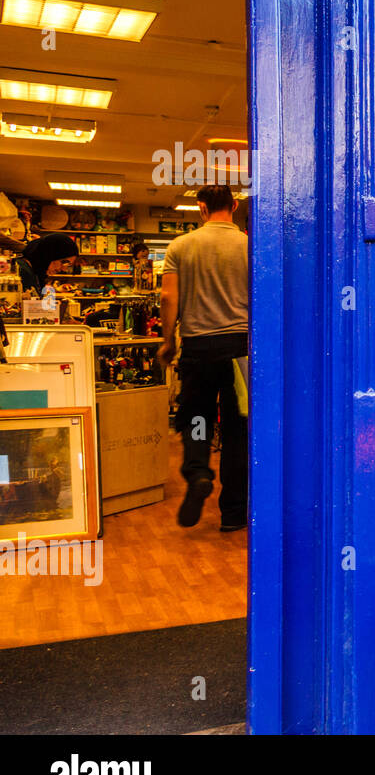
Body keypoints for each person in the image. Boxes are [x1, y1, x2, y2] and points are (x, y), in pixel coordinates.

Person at [157, 185, 248, 532]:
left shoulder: (181, 246)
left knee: (198, 417)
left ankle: (198, 473)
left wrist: (168, 342)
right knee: (238, 429)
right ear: (235, 205)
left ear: (201, 208)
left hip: (198, 348)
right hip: (240, 351)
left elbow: (168, 298)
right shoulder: (250, 246)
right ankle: (234, 512)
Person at [14, 233, 78, 294]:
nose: (64, 269)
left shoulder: (33, 271)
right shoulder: (21, 271)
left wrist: (56, 290)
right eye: (64, 262)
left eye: (68, 265)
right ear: (48, 254)